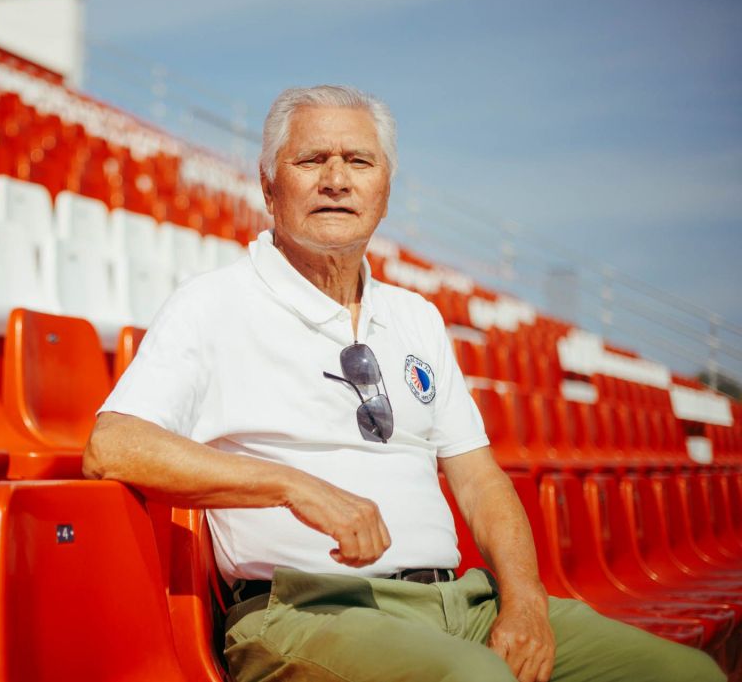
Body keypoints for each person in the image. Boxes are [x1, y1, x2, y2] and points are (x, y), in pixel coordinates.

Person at [82, 85, 725, 682]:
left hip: (459, 599)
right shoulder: (214, 303)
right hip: (307, 610)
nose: (336, 179)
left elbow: (479, 479)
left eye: (359, 161)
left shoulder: (416, 316)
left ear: (385, 190)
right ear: (268, 186)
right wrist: (292, 485)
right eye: (311, 160)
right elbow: (112, 445)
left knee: (687, 675)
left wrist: (525, 601)